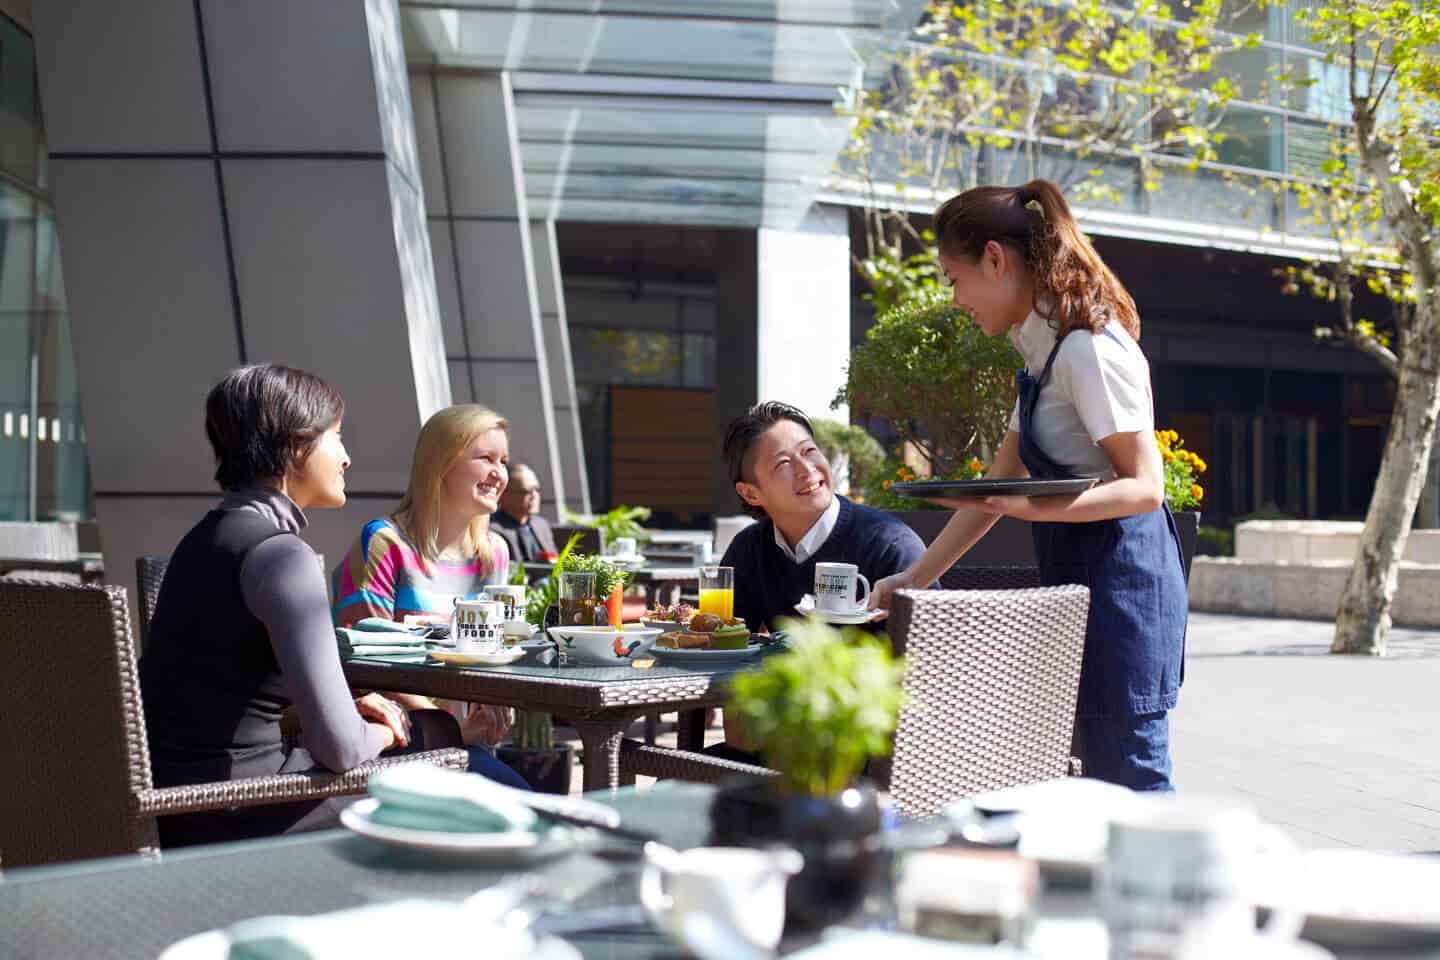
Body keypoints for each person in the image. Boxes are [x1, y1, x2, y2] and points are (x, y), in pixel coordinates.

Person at [869, 180, 1188, 792]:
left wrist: (1030, 512)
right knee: (1096, 788)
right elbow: (1000, 482)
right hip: (1083, 582)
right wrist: (917, 577)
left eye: (952, 279)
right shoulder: (1042, 354)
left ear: (996, 258)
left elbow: (1146, 488)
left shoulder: (1087, 350)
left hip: (1124, 592)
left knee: (1135, 785)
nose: (955, 298)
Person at [139, 364, 425, 847]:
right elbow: (343, 751)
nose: (347, 457)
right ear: (295, 447)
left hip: (170, 806)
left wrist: (352, 715)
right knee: (438, 742)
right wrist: (389, 726)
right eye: (336, 436)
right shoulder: (283, 557)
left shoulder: (200, 540)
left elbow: (216, 700)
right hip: (244, 811)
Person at [332, 404, 528, 789]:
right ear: (441, 464)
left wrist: (496, 703)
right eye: (485, 458)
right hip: (391, 745)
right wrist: (450, 729)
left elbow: (496, 652)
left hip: (466, 746)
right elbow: (365, 666)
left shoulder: (495, 552)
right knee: (522, 801)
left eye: (503, 461)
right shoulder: (385, 543)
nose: (499, 474)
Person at [720, 401, 928, 632]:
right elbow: (721, 641)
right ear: (751, 493)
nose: (807, 468)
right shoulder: (749, 548)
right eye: (783, 463)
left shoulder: (890, 546)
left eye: (809, 451)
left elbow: (933, 651)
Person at [491, 463, 558, 564]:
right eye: (526, 491)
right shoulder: (493, 530)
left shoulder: (541, 525)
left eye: (537, 489)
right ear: (504, 494)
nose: (534, 496)